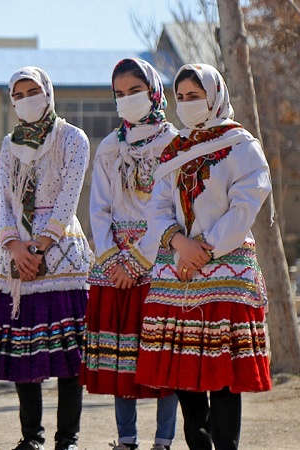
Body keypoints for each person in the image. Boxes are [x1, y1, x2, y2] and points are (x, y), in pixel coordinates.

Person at [136, 63, 272, 450]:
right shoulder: (175, 147)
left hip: (225, 268)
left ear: (214, 96)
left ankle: (225, 444)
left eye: (194, 96)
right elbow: (157, 205)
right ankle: (198, 441)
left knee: (223, 371)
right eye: (181, 97)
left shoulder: (242, 145)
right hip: (178, 268)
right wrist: (180, 243)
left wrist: (203, 248)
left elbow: (246, 204)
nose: (187, 104)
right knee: (182, 368)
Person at [0, 67, 93, 450]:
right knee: (23, 353)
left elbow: (69, 196)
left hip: (61, 258)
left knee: (67, 356)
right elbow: (5, 202)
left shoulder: (72, 138)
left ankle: (68, 439)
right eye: (19, 94)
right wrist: (14, 246)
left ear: (47, 92)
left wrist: (42, 246)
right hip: (18, 259)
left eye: (33, 91)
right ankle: (32, 437)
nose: (26, 99)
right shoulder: (8, 143)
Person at [80, 58, 179, 450]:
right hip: (115, 265)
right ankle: (126, 439)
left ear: (153, 91)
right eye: (119, 94)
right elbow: (98, 209)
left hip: (161, 260)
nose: (127, 100)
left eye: (135, 91)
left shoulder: (175, 144)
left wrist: (139, 261)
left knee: (161, 354)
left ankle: (164, 440)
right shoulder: (109, 146)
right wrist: (112, 259)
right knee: (122, 354)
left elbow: (170, 210)